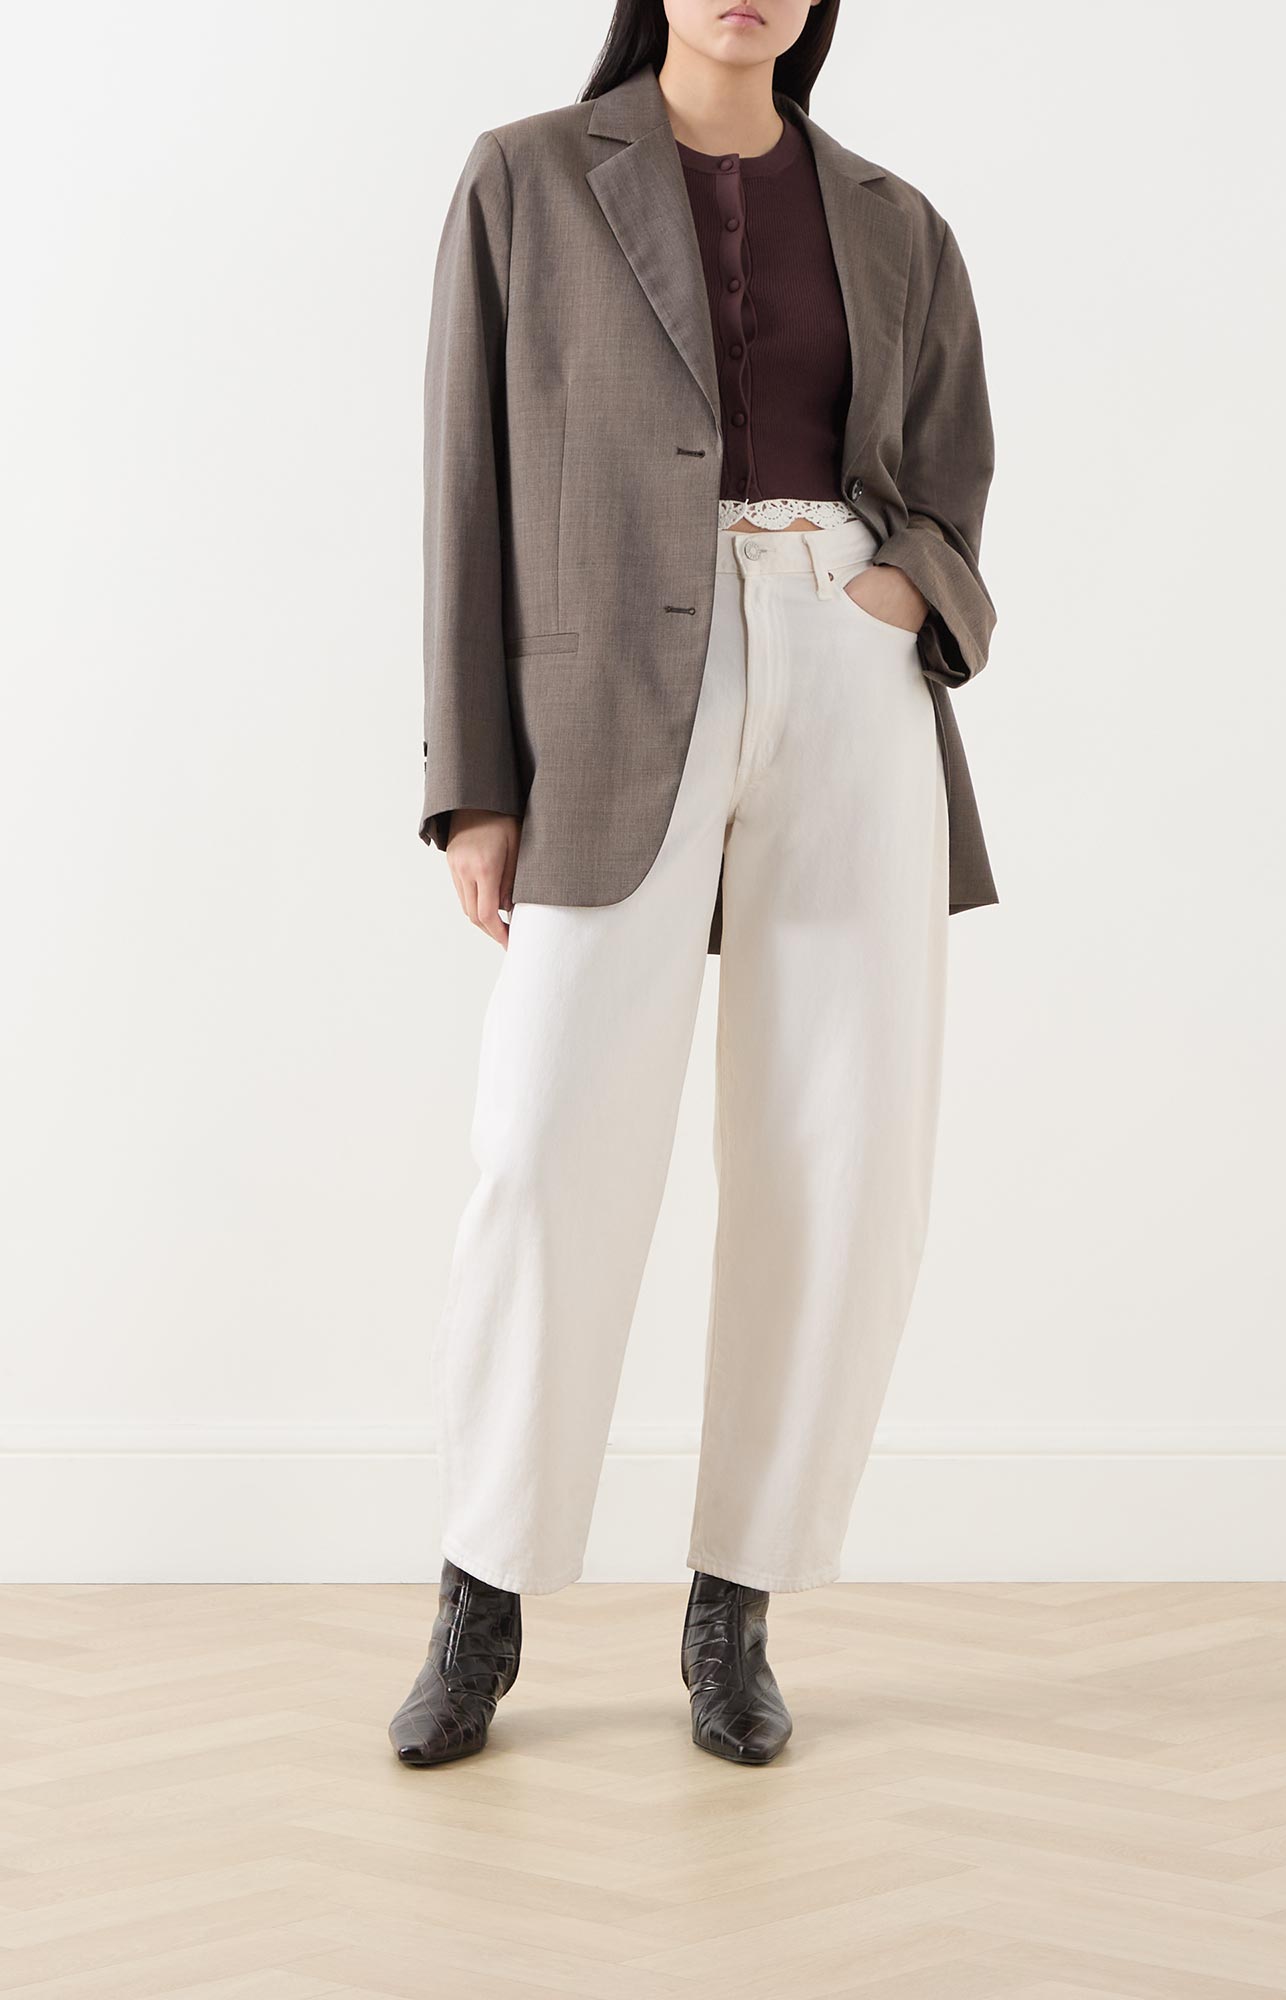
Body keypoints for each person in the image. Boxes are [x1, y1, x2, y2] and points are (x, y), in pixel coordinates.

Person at [389, 0, 998, 1769]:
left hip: (846, 674)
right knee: (545, 1145)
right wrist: (474, 785)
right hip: (605, 703)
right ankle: (483, 1597)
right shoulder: (526, 180)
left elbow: (951, 472)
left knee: (842, 1149)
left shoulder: (894, 217)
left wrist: (900, 594)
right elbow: (466, 486)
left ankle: (738, 1605)